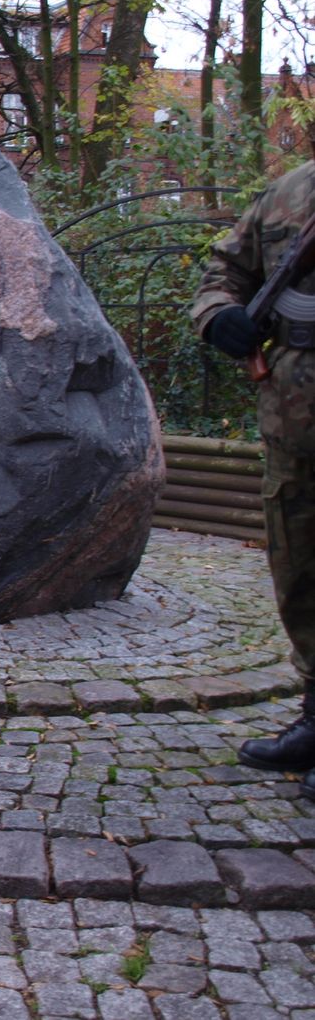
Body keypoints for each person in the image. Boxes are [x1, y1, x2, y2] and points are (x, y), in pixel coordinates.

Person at [192, 162, 315, 787]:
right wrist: (219, 314)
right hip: (293, 421)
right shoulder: (290, 191)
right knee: (299, 568)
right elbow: (227, 270)